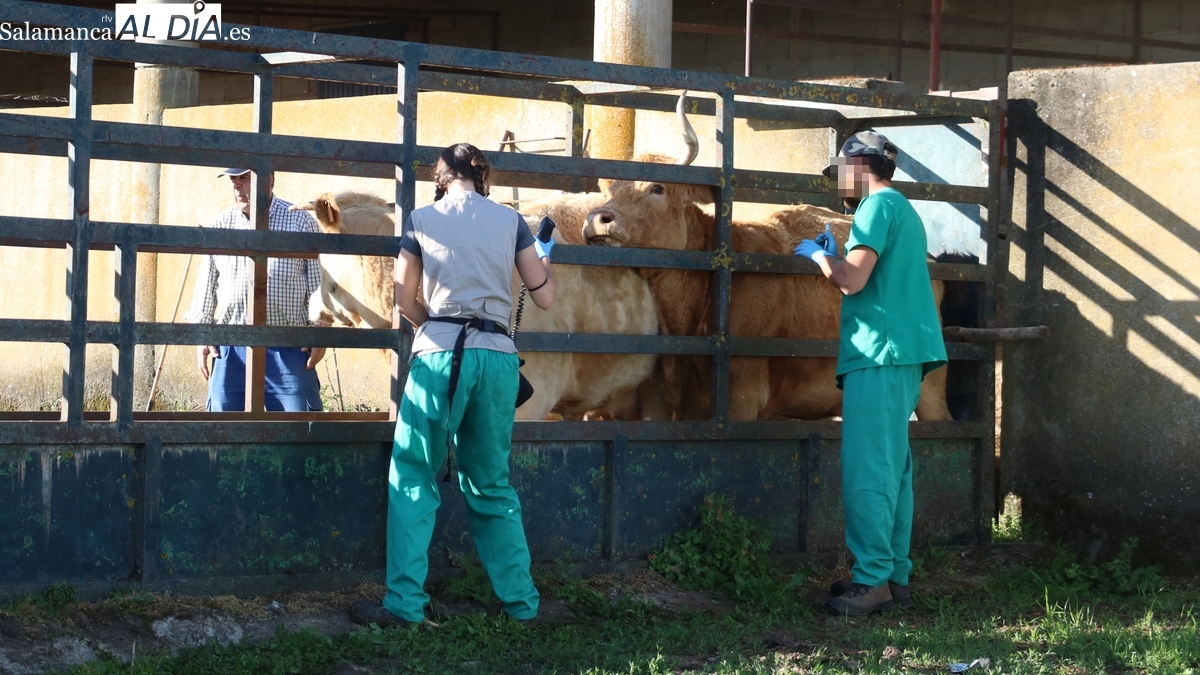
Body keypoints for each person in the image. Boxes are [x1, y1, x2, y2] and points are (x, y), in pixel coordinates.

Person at [349, 143, 555, 628]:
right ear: (483, 176)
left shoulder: (422, 220)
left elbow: (402, 297)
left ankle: (403, 604)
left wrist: (432, 326)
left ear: (441, 178)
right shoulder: (512, 222)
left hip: (440, 355)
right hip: (499, 358)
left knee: (413, 475)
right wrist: (545, 262)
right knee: (491, 484)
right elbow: (543, 298)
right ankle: (522, 606)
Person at [794, 131, 947, 616]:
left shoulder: (876, 207)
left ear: (859, 167)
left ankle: (872, 581)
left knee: (867, 470)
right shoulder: (902, 210)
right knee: (892, 469)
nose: (837, 183)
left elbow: (852, 280)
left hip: (878, 352)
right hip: (899, 353)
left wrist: (823, 257)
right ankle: (893, 576)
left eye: (839, 171)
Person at [184, 168, 326, 412]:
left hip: (289, 344)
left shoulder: (299, 221)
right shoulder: (222, 224)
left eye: (245, 178)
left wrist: (320, 333)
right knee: (223, 428)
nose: (237, 185)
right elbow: (206, 284)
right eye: (233, 179)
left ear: (269, 179)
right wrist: (203, 335)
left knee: (298, 429)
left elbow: (318, 284)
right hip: (231, 347)